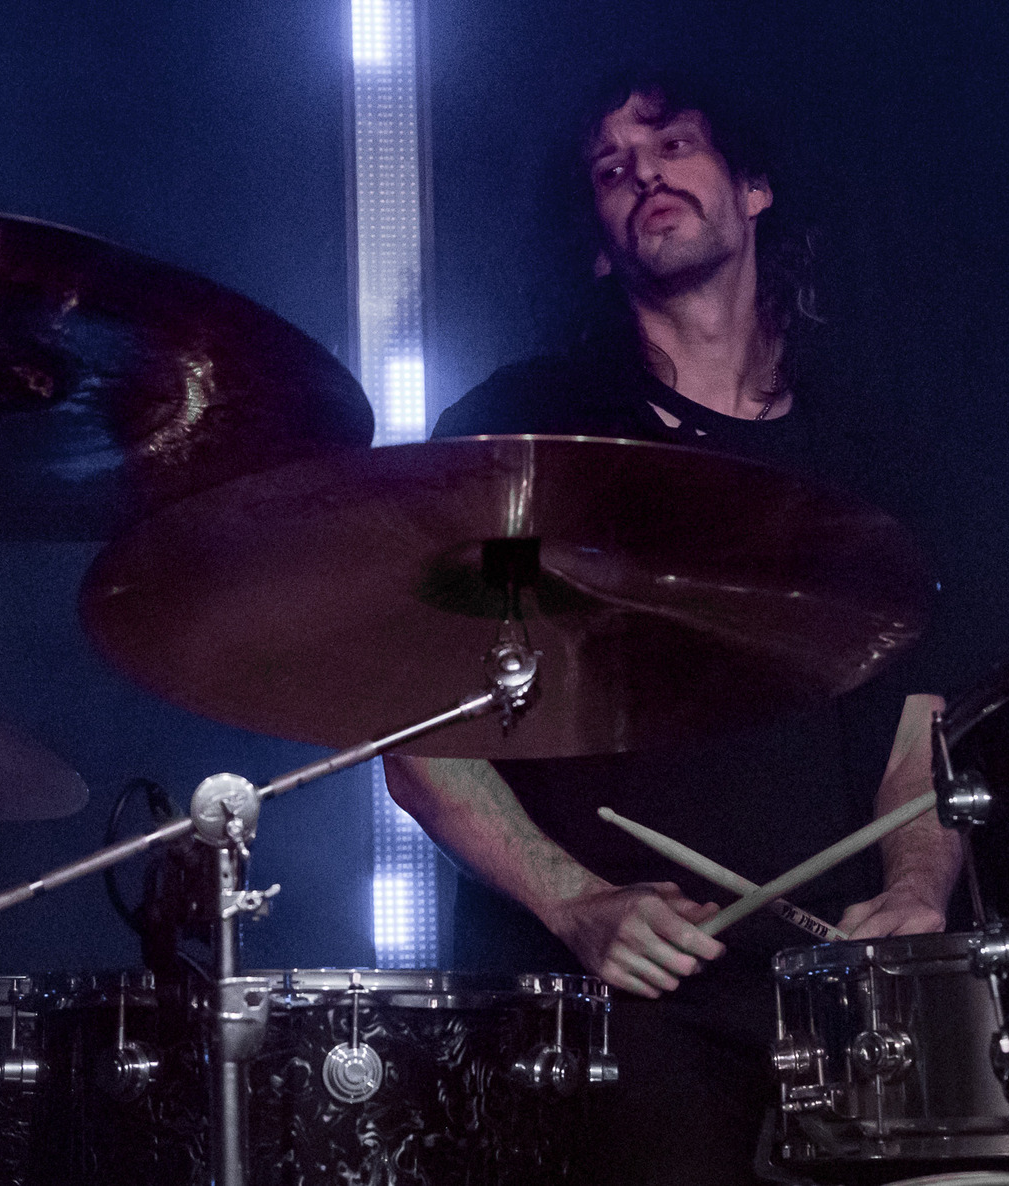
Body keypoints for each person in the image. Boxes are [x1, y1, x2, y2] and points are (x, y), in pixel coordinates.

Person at [383, 67, 964, 1186]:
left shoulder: (864, 452)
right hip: (616, 1010)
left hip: (839, 993)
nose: (642, 173)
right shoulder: (529, 435)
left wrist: (917, 887)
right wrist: (574, 901)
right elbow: (418, 726)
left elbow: (918, 729)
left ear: (753, 188)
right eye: (611, 170)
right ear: (601, 246)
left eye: (673, 146)